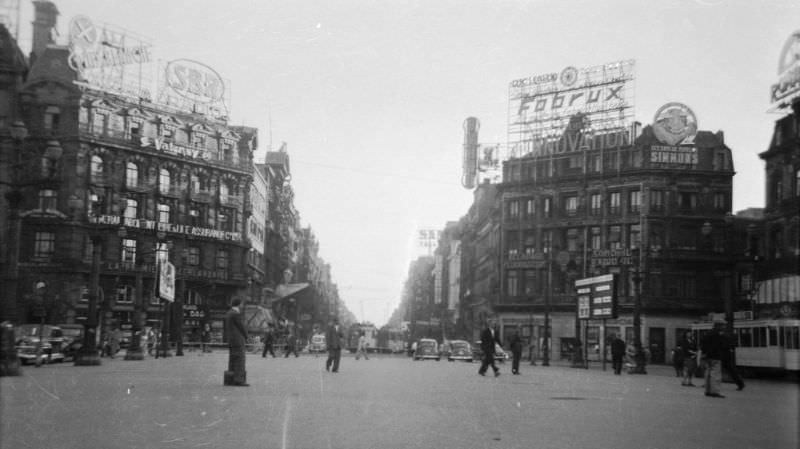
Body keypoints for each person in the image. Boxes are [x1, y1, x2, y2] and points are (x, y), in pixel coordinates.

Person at [224, 298, 249, 386]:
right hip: (238, 340)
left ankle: (231, 378)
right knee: (240, 359)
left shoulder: (229, 313)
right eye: (242, 304)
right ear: (239, 304)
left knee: (232, 359)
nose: (242, 306)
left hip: (231, 340)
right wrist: (247, 336)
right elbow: (242, 327)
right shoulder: (236, 314)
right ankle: (239, 379)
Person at [699, 321, 727, 398]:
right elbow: (721, 345)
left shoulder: (707, 333)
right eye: (723, 326)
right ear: (718, 326)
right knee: (715, 375)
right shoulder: (718, 334)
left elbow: (702, 343)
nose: (724, 327)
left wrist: (705, 353)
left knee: (708, 373)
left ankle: (707, 390)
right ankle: (715, 391)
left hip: (707, 356)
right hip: (715, 356)